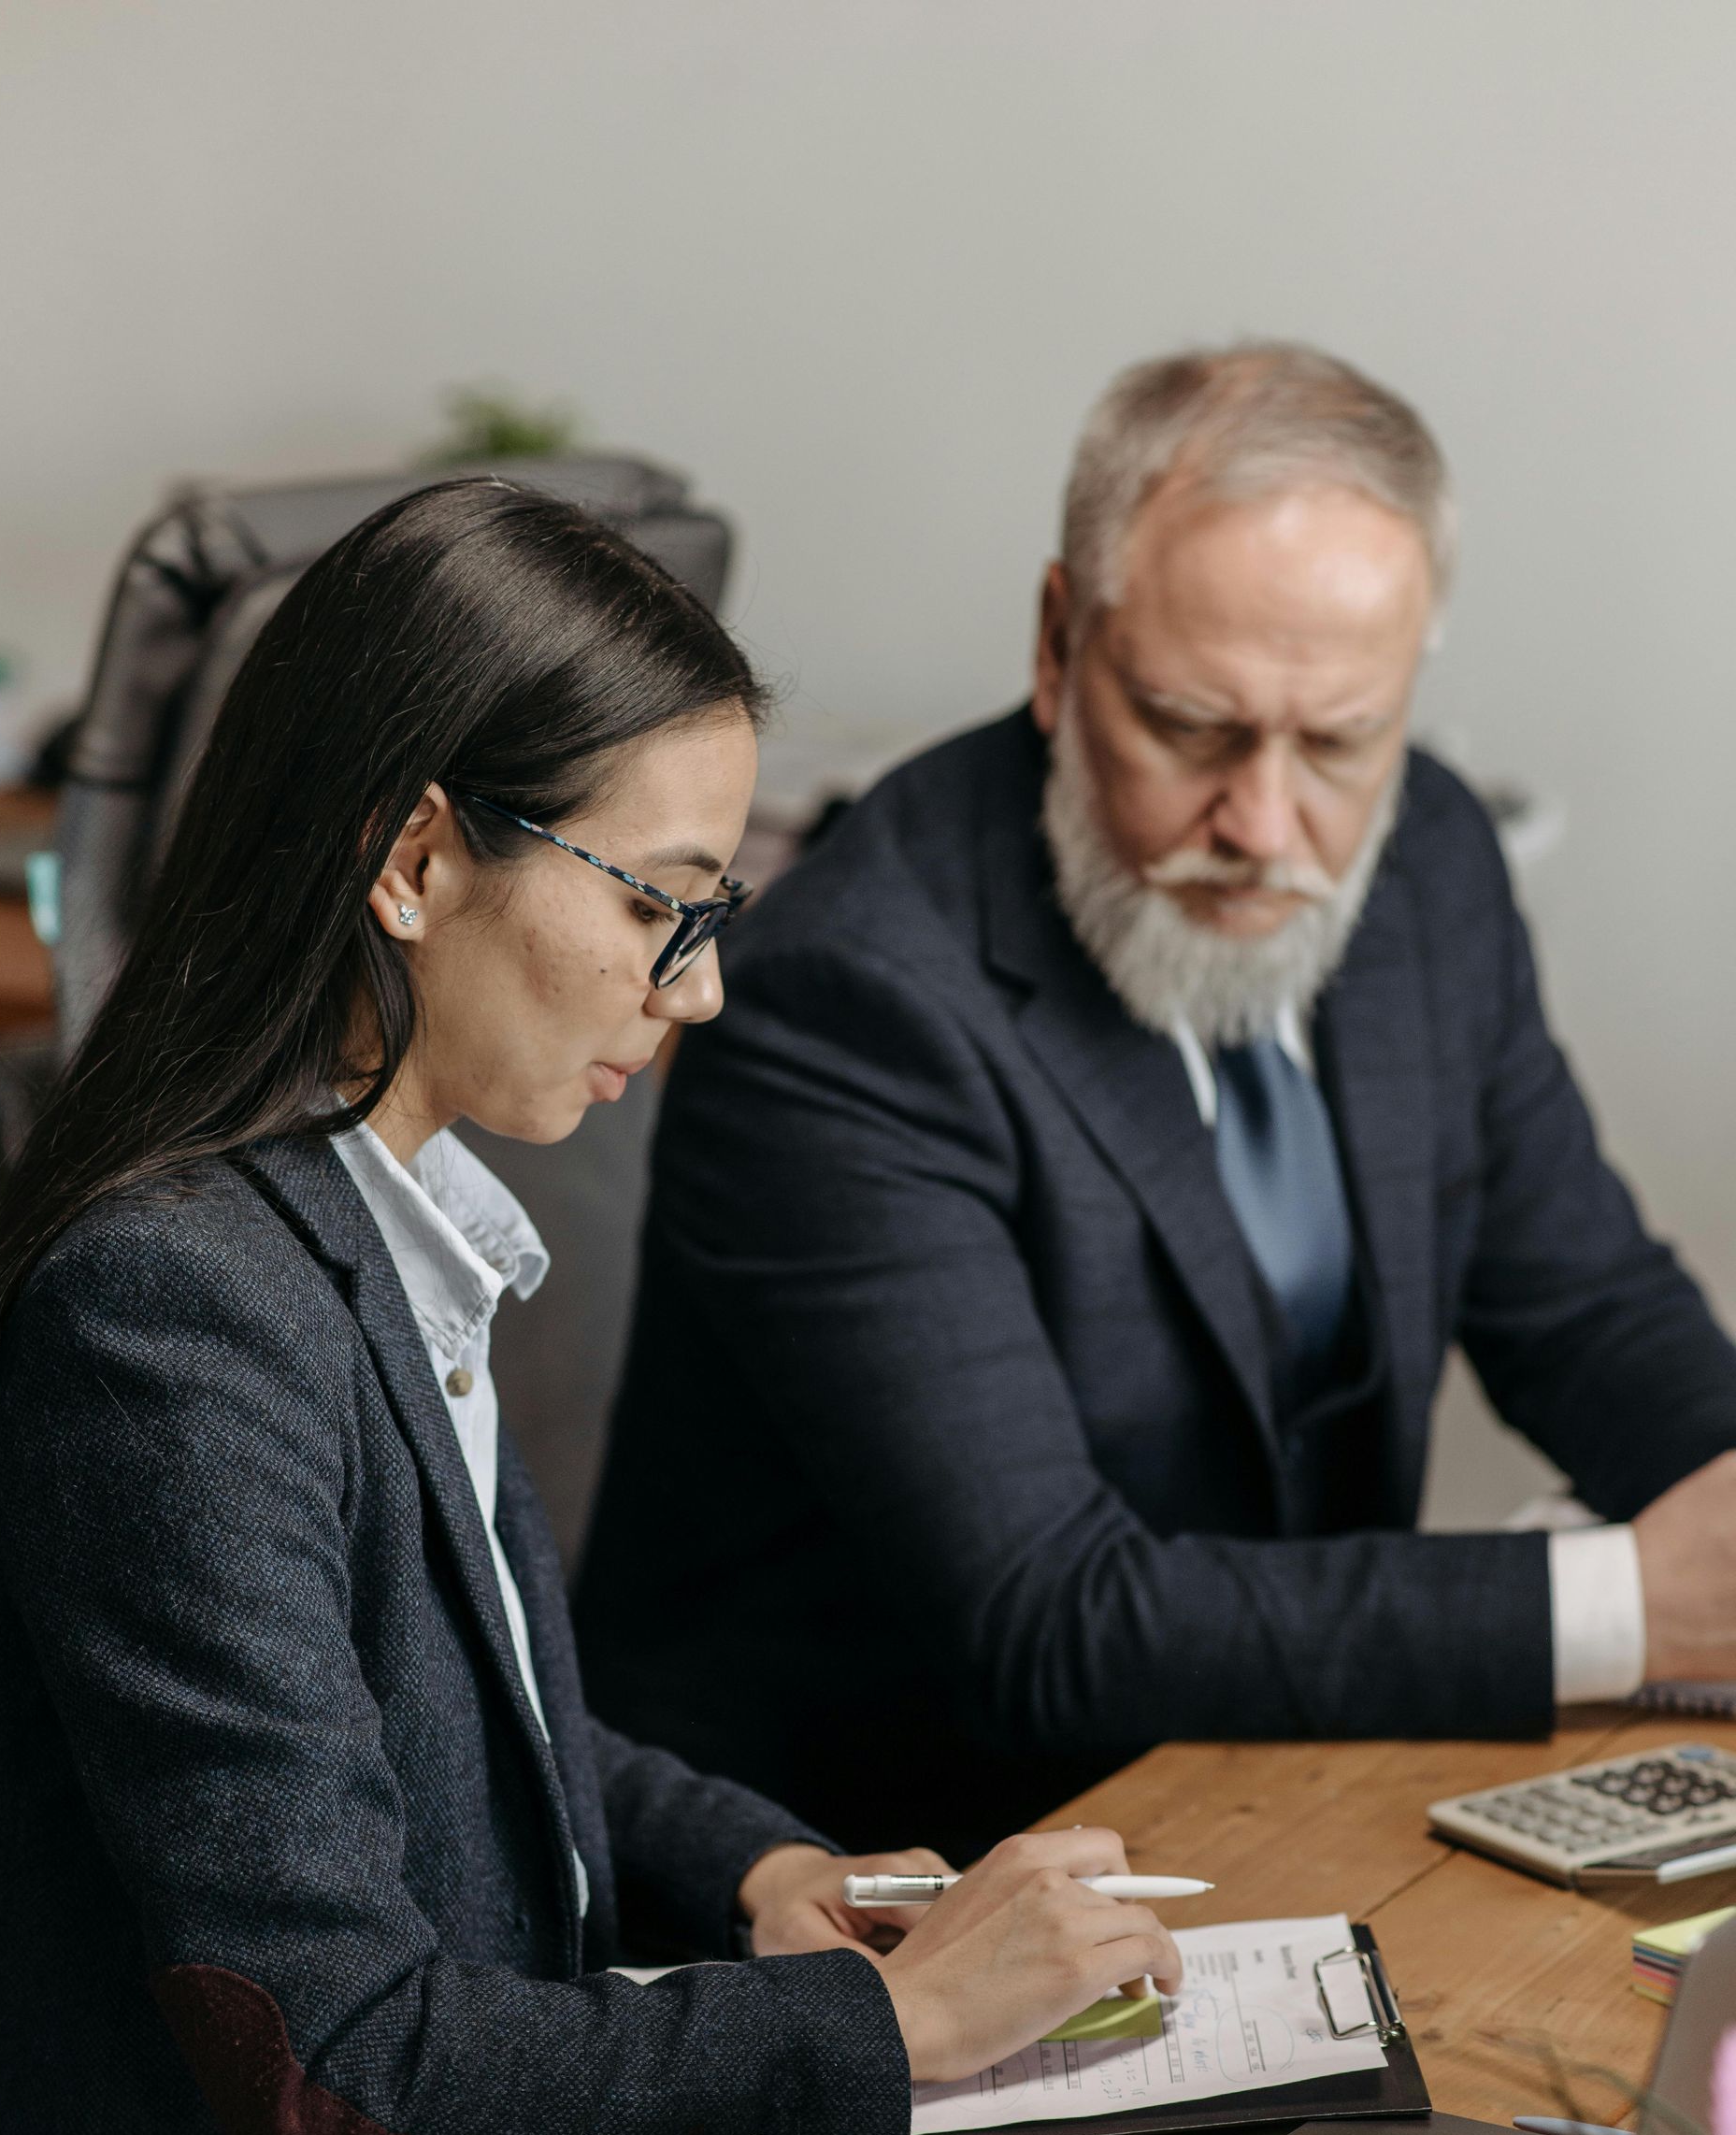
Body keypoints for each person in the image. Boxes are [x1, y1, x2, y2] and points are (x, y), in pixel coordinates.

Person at [0, 481, 1184, 2135]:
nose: (695, 987)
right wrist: (888, 2021)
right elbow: (343, 2065)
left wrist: (763, 1868)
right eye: (653, 902)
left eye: (716, 912)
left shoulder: (367, 1220)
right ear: (416, 859)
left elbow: (441, 1706)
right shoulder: (174, 1314)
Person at [577, 345, 1736, 1856]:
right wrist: (1633, 1610)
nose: (1263, 824)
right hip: (871, 1876)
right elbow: (1047, 1618)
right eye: (1193, 726)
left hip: (1262, 1779)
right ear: (1062, 646)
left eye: (1337, 742)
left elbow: (1583, 1307)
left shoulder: (1432, 860)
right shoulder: (845, 997)